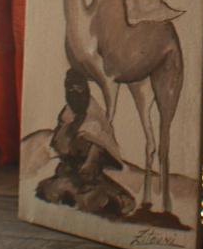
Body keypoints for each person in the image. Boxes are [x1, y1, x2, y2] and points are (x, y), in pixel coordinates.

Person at [36, 68, 135, 217]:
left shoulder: (95, 120)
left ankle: (115, 199)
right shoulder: (67, 113)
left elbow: (99, 150)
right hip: (70, 170)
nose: (74, 94)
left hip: (89, 173)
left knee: (91, 196)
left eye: (79, 89)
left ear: (86, 90)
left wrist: (89, 163)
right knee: (47, 190)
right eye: (70, 89)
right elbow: (59, 142)